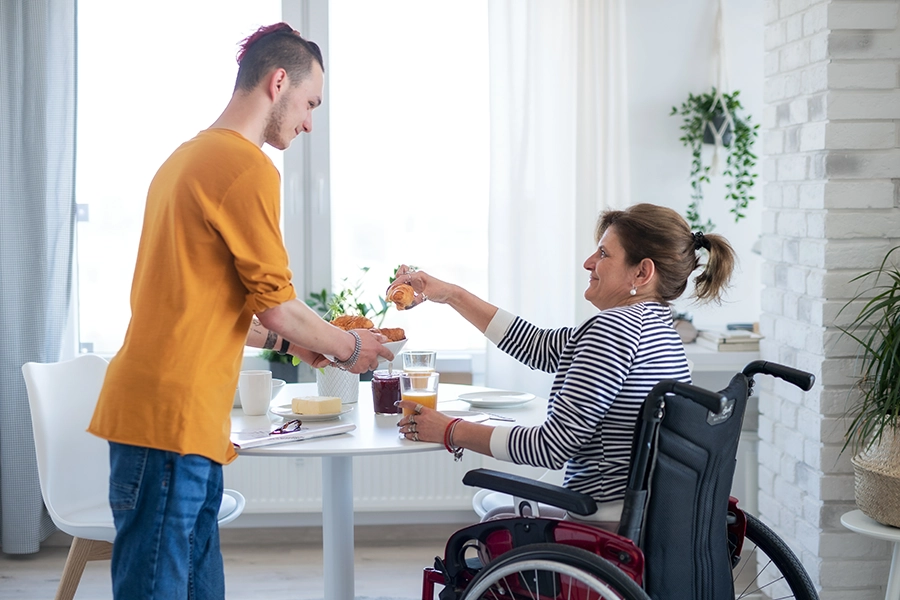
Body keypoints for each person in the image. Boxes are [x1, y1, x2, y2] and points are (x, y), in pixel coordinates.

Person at [88, 23, 392, 599]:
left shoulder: (185, 159)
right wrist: (350, 347)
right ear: (279, 81)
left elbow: (213, 305)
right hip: (171, 419)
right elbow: (277, 305)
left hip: (176, 416)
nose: (308, 123)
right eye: (309, 103)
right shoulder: (245, 166)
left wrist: (290, 344)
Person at [388, 203, 735, 528]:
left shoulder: (613, 330)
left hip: (605, 517)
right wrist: (451, 294)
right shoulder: (658, 328)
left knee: (493, 518)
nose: (588, 262)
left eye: (603, 254)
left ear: (641, 272)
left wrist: (450, 430)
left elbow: (550, 447)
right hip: (647, 513)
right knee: (493, 504)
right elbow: (535, 345)